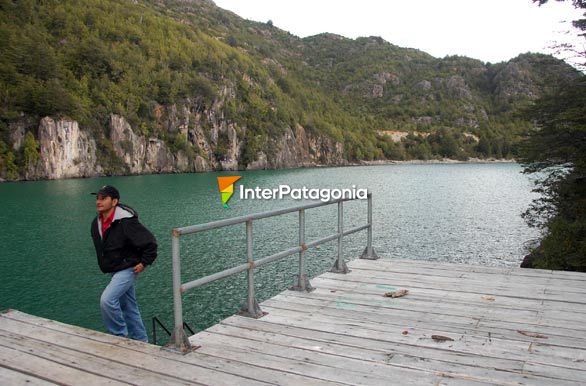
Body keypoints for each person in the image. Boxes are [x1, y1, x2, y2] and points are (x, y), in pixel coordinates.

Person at [90, 185, 157, 342]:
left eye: (103, 198)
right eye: (97, 198)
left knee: (107, 300)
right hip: (115, 268)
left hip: (128, 268)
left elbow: (150, 242)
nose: (98, 202)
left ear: (114, 202)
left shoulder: (126, 221)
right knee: (129, 307)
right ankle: (141, 341)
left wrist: (144, 262)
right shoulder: (97, 222)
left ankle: (119, 336)